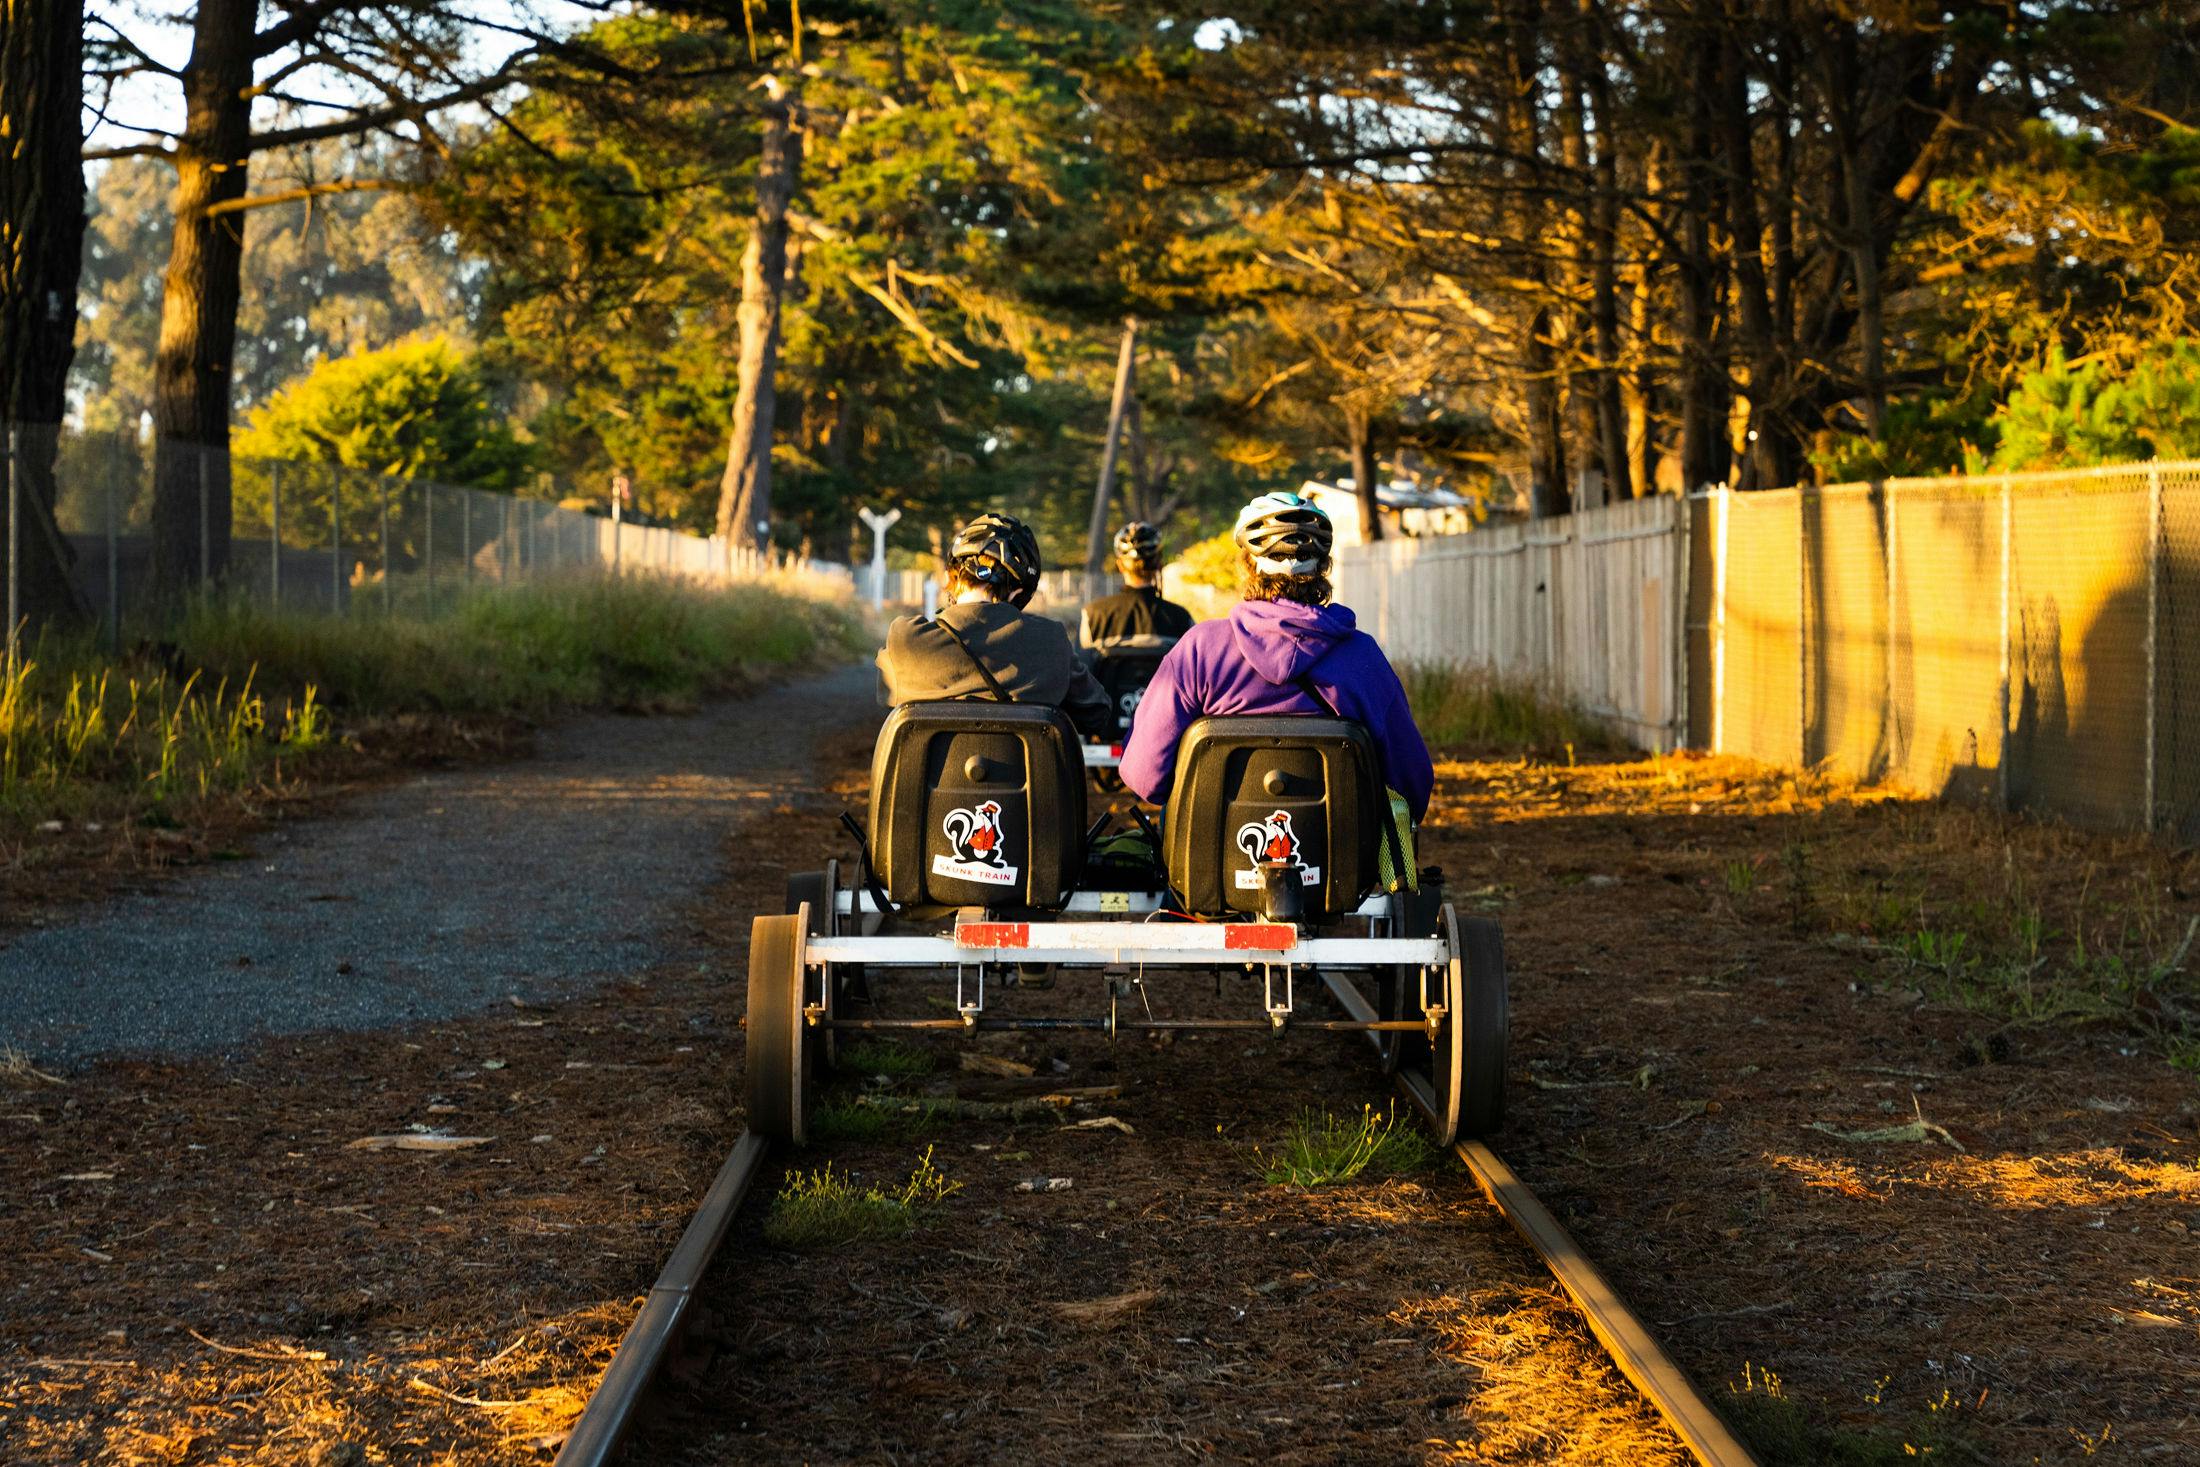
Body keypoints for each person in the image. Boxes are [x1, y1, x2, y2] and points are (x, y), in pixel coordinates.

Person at [1119, 490, 1434, 819]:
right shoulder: (1362, 659)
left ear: (1247, 564)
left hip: (1210, 867)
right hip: (1342, 867)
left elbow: (1144, 777)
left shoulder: (1200, 650)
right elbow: (1413, 786)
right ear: (1323, 568)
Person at [876, 511, 1115, 738]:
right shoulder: (1051, 641)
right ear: (1017, 593)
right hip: (1029, 781)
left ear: (952, 578)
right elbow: (1097, 713)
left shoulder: (906, 640)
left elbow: (887, 696)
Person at [1079, 522, 1195, 652]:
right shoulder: (1181, 618)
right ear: (1159, 564)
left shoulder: (1093, 615)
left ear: (1120, 566)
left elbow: (1084, 667)